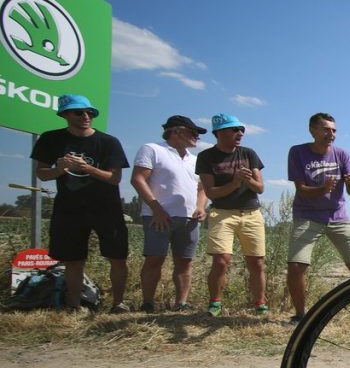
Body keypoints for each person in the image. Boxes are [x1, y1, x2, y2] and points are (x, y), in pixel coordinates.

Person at [31, 94, 130, 313]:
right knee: (73, 259)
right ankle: (73, 306)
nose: (86, 116)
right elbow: (42, 173)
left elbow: (114, 178)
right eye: (79, 112)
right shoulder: (50, 139)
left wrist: (87, 168)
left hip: (107, 208)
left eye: (90, 112)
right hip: (70, 208)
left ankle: (118, 304)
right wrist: (60, 168)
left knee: (117, 257)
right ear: (65, 114)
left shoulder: (108, 142)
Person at [286, 112, 350, 326]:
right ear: (313, 130)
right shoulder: (298, 152)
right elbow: (301, 189)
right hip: (307, 216)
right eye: (326, 129)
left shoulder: (342, 155)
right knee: (296, 266)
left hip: (338, 217)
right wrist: (322, 188)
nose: (331, 134)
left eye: (334, 130)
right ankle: (301, 316)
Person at [130, 115, 208, 312]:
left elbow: (202, 188)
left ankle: (181, 303)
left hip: (189, 219)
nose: (196, 137)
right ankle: (147, 303)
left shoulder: (196, 160)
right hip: (158, 217)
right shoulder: (153, 149)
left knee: (185, 261)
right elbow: (138, 179)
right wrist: (156, 209)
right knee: (155, 259)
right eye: (193, 132)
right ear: (177, 131)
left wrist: (200, 207)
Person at [196, 113, 266, 317]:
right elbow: (211, 193)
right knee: (221, 260)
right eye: (234, 129)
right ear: (219, 132)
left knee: (257, 262)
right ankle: (215, 302)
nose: (240, 133)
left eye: (241, 129)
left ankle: (260, 303)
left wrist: (247, 181)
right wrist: (234, 183)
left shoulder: (248, 153)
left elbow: (260, 187)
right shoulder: (206, 157)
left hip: (252, 213)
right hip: (223, 213)